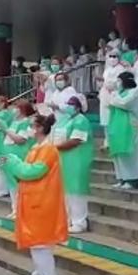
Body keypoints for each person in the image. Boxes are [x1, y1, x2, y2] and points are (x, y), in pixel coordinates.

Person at [1, 113, 68, 275]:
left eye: (31, 125)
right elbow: (24, 173)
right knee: (35, 243)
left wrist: (14, 162)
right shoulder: (35, 148)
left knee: (41, 244)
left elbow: (32, 172)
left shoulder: (49, 150)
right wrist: (12, 166)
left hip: (43, 202)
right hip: (33, 201)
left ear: (39, 128)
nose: (29, 128)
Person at [52, 95, 93, 234]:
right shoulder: (65, 119)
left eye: (72, 104)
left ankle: (80, 222)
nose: (69, 106)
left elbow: (76, 140)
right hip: (64, 160)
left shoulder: (81, 120)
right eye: (67, 103)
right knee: (66, 192)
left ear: (78, 107)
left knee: (76, 191)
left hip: (78, 159)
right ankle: (69, 220)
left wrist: (56, 147)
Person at [107, 72, 138, 189]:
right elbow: (109, 103)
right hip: (116, 125)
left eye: (119, 81)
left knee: (131, 154)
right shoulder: (118, 93)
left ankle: (133, 179)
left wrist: (113, 97)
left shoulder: (134, 92)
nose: (118, 84)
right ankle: (122, 178)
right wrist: (114, 97)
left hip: (129, 126)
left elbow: (124, 103)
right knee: (119, 154)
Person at [2, 100, 36, 217]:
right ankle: (15, 208)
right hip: (9, 154)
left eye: (16, 107)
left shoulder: (26, 122)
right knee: (11, 183)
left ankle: (22, 209)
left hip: (19, 154)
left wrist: (5, 129)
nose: (13, 110)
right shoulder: (14, 122)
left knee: (20, 183)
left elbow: (21, 140)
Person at [97, 51, 127, 137]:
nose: (112, 59)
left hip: (115, 94)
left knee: (114, 118)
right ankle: (107, 141)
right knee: (105, 119)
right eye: (110, 56)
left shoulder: (121, 69)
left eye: (115, 56)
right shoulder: (107, 69)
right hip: (105, 94)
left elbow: (119, 82)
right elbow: (104, 81)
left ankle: (117, 139)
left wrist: (111, 85)